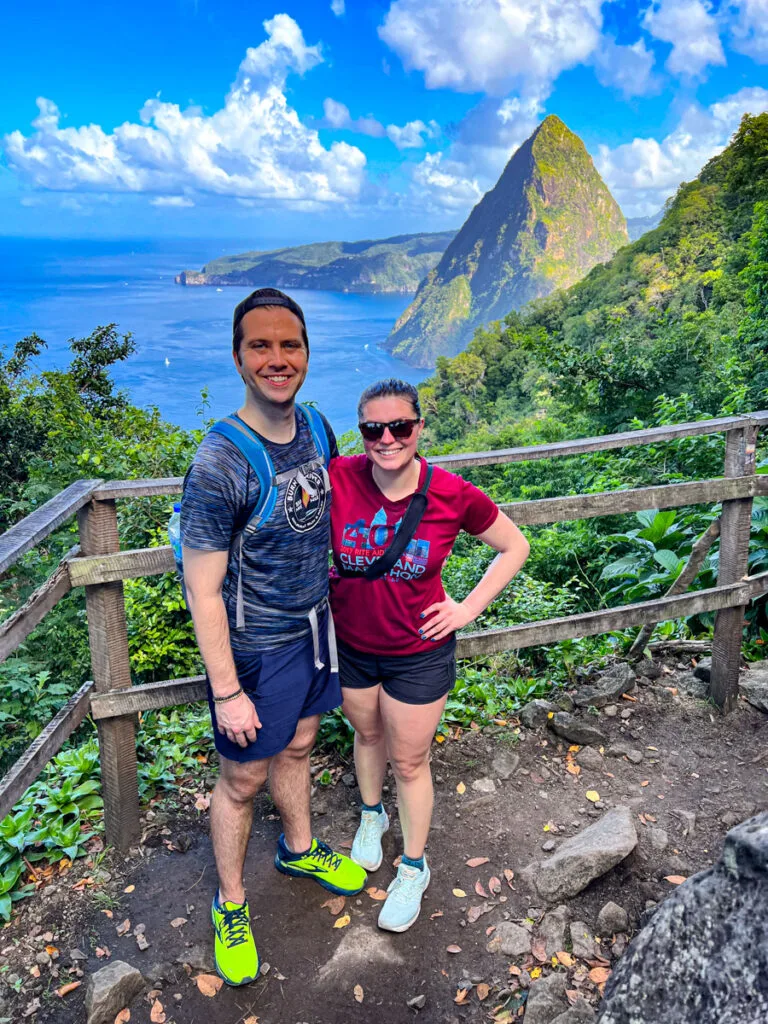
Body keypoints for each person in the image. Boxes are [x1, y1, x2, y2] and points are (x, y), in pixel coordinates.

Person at [180, 288, 367, 987]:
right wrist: (227, 691)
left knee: (299, 743)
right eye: (261, 345)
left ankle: (297, 847)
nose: (277, 359)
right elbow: (201, 589)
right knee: (241, 779)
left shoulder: (318, 429)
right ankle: (230, 902)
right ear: (238, 358)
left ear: (307, 354)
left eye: (290, 344)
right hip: (255, 647)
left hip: (316, 628)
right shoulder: (220, 463)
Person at [329, 378, 530, 932]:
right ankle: (372, 817)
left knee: (410, 761)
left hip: (418, 651)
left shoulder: (451, 493)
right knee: (366, 735)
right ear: (361, 431)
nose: (387, 438)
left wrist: (467, 608)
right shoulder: (339, 478)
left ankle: (413, 866)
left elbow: (515, 546)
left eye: (400, 426)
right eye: (373, 428)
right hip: (351, 644)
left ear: (419, 427)